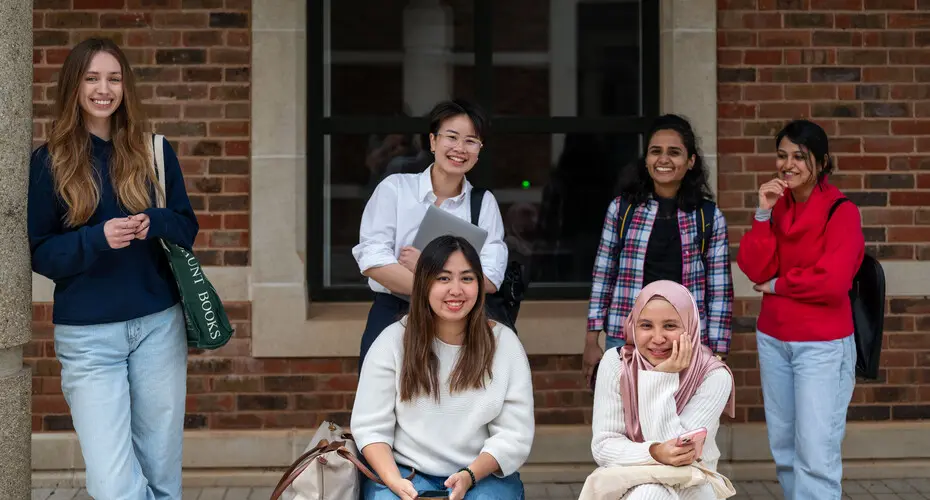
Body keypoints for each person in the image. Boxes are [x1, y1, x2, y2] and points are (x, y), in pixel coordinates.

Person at [27, 38, 198, 500]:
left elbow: (187, 227)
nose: (105, 89)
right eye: (92, 78)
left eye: (114, 78)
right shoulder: (48, 162)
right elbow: (40, 253)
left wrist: (152, 222)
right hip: (87, 338)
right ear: (75, 86)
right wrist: (96, 239)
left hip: (157, 327)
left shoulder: (153, 152)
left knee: (161, 473)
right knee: (112, 483)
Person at [351, 235, 534, 500]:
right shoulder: (392, 341)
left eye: (467, 278)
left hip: (480, 475)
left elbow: (515, 433)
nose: (456, 290)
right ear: (424, 284)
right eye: (443, 278)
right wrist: (394, 482)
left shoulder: (505, 345)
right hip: (405, 471)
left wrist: (469, 475)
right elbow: (370, 427)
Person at [736, 119, 863, 499]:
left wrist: (779, 285)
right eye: (782, 155)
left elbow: (832, 281)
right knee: (786, 449)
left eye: (800, 157)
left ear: (822, 163)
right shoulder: (778, 208)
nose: (787, 165)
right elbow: (754, 268)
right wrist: (762, 214)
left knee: (816, 454)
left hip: (821, 346)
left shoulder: (841, 211)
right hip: (774, 338)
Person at [352, 99, 508, 371]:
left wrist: (426, 267)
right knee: (381, 402)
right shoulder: (396, 189)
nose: (460, 148)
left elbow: (492, 277)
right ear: (433, 141)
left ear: (479, 150)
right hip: (394, 312)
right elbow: (372, 258)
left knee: (451, 404)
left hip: (456, 323)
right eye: (452, 137)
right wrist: (449, 283)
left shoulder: (483, 203)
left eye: (471, 141)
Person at [583, 115, 734, 386]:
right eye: (656, 151)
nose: (663, 159)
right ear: (646, 160)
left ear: (690, 162)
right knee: (626, 421)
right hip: (626, 335)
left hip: (685, 342)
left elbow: (720, 291)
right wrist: (592, 338)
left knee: (680, 423)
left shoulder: (708, 216)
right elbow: (603, 275)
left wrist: (718, 351)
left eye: (674, 153)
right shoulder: (622, 209)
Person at [591, 280, 735, 500]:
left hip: (694, 479)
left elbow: (680, 454)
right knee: (649, 494)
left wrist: (661, 377)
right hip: (629, 477)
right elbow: (604, 446)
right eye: (646, 325)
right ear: (633, 326)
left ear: (690, 326)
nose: (658, 339)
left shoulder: (713, 376)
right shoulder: (616, 363)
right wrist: (654, 452)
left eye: (670, 326)